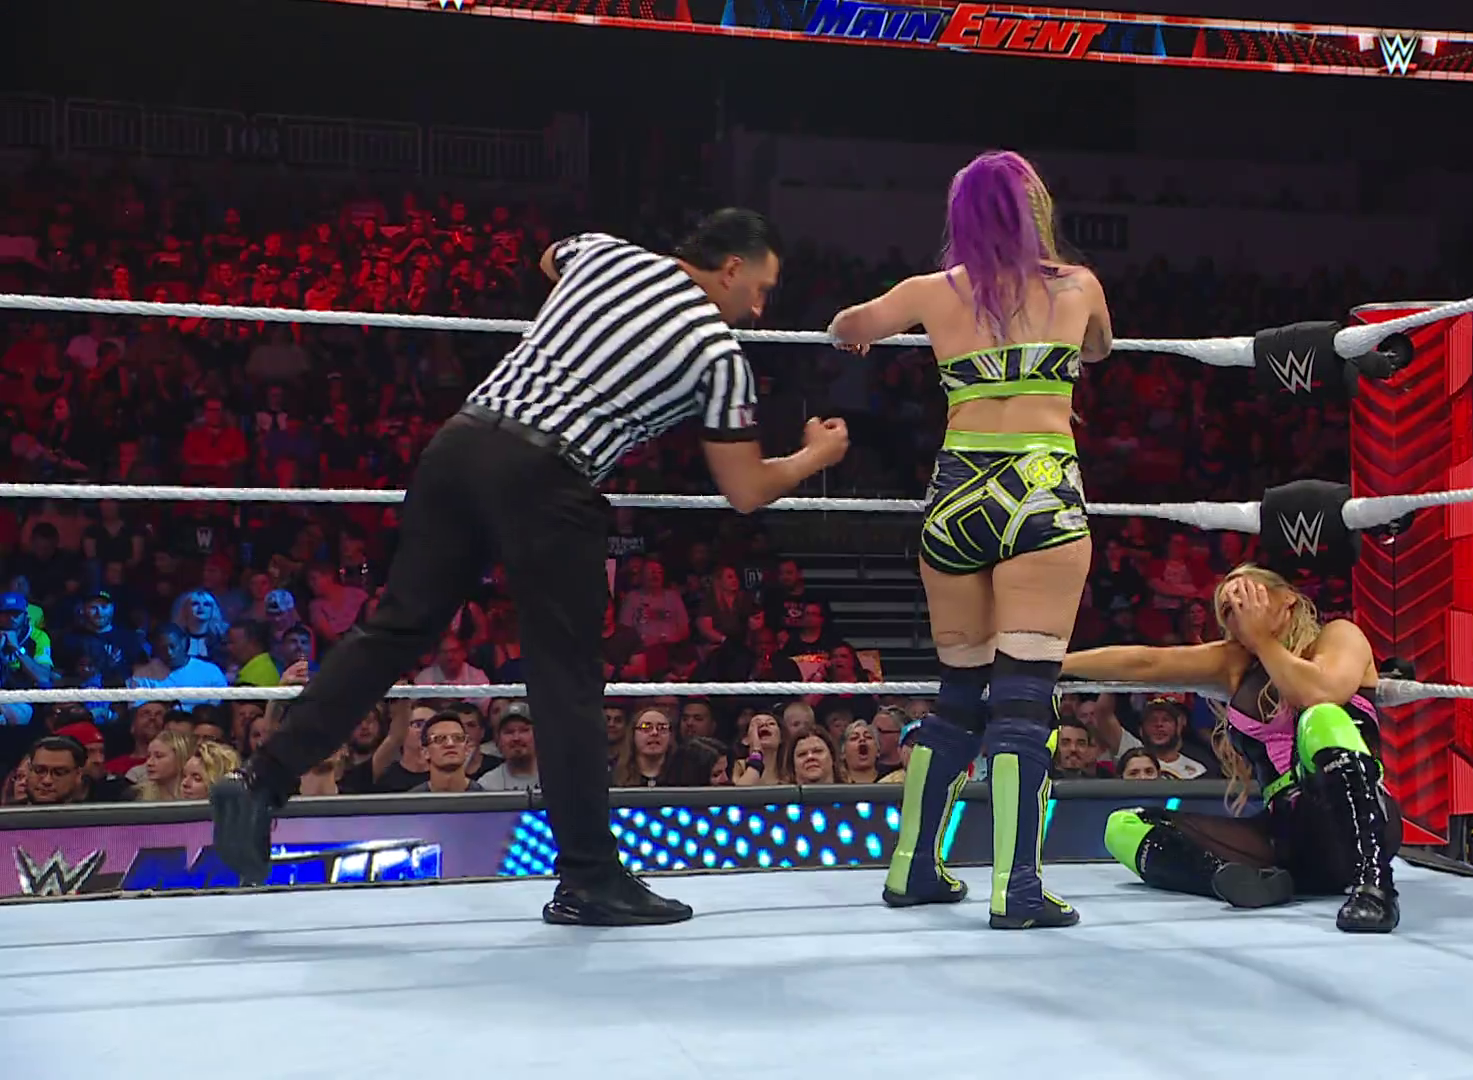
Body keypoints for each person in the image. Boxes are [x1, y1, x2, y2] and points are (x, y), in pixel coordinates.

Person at [213, 209, 850, 927]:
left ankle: (263, 776)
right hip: (549, 478)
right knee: (566, 679)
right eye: (760, 288)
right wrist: (814, 457)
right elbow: (745, 490)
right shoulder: (717, 350)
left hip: (461, 444)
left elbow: (550, 259)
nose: (759, 308)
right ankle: (588, 877)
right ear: (730, 267)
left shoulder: (607, 253)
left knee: (395, 629)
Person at [829, 150, 1111, 929]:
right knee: (1025, 698)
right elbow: (1098, 348)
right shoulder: (1077, 286)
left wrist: (860, 334)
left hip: (956, 497)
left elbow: (846, 326)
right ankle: (1016, 888)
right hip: (1041, 488)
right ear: (1034, 210)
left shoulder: (931, 292)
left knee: (958, 696)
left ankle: (912, 868)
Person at [1060, 564, 1402, 933]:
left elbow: (1318, 692)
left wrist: (1263, 641)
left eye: (1249, 597)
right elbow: (1147, 661)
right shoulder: (1236, 663)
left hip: (1357, 828)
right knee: (1123, 827)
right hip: (1287, 840)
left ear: (1288, 598)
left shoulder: (1339, 637)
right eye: (1228, 609)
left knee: (1321, 717)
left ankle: (1376, 888)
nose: (1239, 611)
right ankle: (1229, 879)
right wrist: (1051, 665)